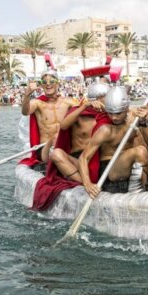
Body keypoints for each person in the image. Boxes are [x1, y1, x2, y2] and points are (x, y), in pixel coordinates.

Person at [31, 79, 110, 211]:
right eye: (106, 98)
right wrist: (84, 106)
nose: (109, 100)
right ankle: (85, 183)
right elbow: (64, 125)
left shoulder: (112, 114)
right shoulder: (79, 112)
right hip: (78, 160)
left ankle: (90, 183)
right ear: (98, 98)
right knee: (56, 154)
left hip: (99, 160)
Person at [78, 87, 148, 198]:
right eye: (110, 113)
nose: (114, 117)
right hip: (110, 170)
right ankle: (141, 195)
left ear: (127, 109)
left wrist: (144, 122)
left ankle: (144, 186)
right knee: (140, 151)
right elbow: (83, 158)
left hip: (130, 163)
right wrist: (87, 184)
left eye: (118, 113)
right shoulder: (105, 130)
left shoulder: (134, 117)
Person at [20, 70, 64, 167]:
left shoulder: (67, 102)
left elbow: (85, 109)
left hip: (64, 146)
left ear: (57, 83)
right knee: (56, 137)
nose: (48, 84)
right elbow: (25, 112)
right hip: (45, 149)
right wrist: (27, 95)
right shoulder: (38, 103)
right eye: (44, 82)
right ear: (41, 85)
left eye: (51, 81)